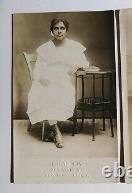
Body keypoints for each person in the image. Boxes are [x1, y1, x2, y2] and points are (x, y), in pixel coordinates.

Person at [27, 18, 89, 148]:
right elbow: (38, 69)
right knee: (44, 92)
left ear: (66, 30)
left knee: (59, 92)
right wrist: (41, 78)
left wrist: (76, 67)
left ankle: (52, 130)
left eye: (62, 28)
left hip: (62, 79)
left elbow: (84, 63)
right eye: (56, 28)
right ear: (51, 31)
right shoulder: (45, 48)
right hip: (45, 78)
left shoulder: (73, 46)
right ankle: (56, 131)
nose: (59, 31)